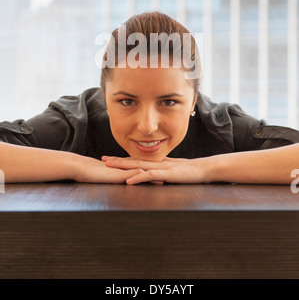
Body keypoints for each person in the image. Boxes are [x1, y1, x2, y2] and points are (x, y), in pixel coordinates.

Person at [0, 11, 299, 185]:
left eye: (168, 102)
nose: (146, 126)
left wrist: (205, 168)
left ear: (195, 101)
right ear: (104, 97)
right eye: (127, 101)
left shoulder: (220, 124)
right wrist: (82, 166)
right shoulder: (75, 119)